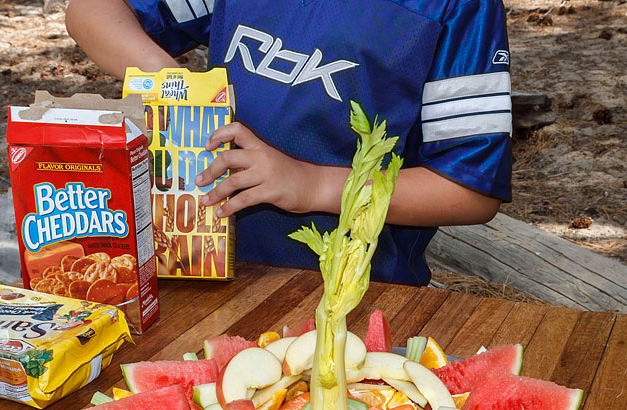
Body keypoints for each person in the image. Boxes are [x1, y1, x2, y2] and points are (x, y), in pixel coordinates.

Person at [65, 0, 512, 285]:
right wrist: (172, 83)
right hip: (201, 272)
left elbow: (470, 191)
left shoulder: (458, 7)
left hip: (357, 293)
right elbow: (91, 11)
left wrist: (312, 185)